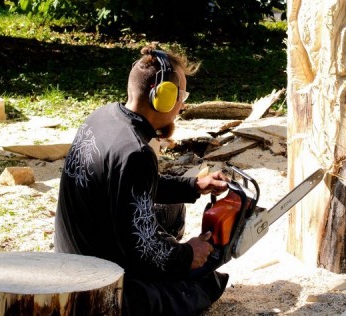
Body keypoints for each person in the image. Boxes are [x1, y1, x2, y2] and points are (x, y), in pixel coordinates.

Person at [54, 43, 229, 315]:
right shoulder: (136, 152)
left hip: (72, 258)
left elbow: (129, 185)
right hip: (97, 284)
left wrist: (192, 186)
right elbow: (143, 250)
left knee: (173, 209)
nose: (183, 104)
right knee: (202, 284)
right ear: (163, 96)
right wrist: (187, 254)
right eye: (182, 95)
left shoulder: (101, 118)